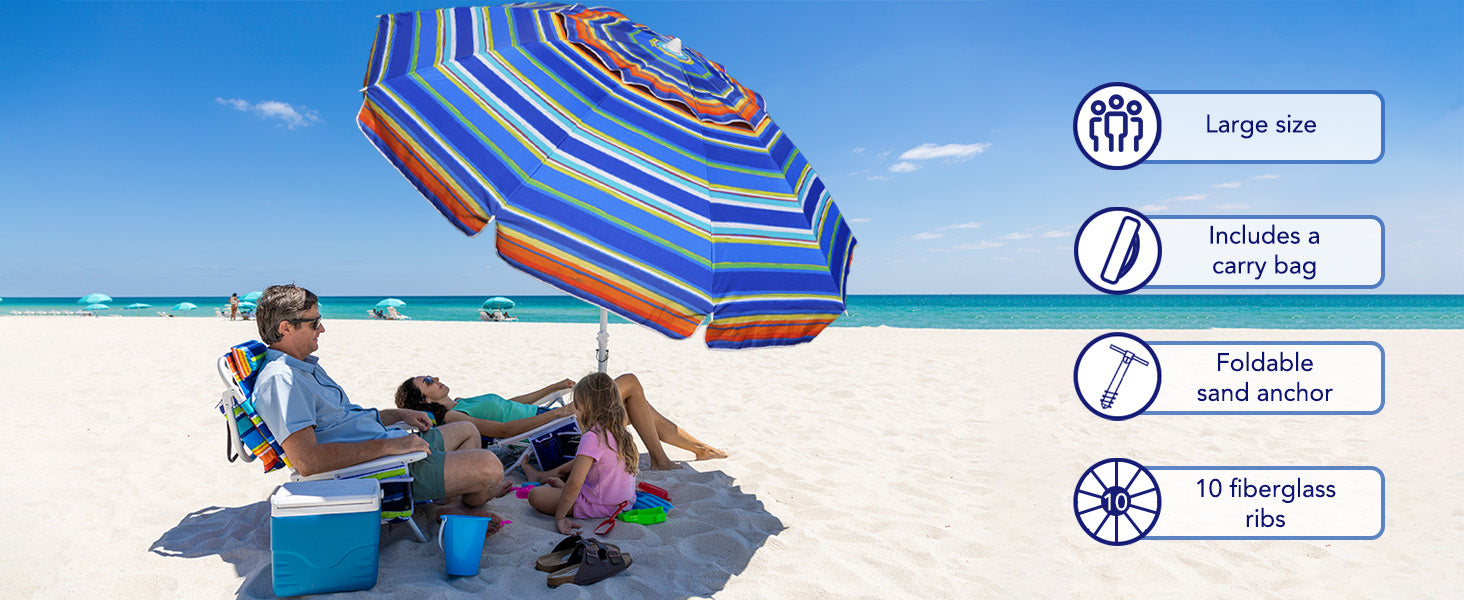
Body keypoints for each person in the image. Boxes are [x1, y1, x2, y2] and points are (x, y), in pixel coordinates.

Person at [250, 284, 511, 524]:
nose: (322, 329)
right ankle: (465, 505)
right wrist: (391, 446)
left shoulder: (302, 368)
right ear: (285, 328)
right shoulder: (281, 380)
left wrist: (395, 414)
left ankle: (449, 505)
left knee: (468, 430)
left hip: (387, 446)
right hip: (379, 469)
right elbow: (307, 461)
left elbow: (343, 420)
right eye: (314, 322)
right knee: (490, 467)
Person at [395, 371, 725, 471]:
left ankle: (696, 449)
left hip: (549, 418)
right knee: (629, 383)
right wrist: (557, 413)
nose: (434, 378)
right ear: (424, 401)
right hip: (551, 428)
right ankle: (666, 458)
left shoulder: (465, 401)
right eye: (427, 382)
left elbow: (512, 405)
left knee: (635, 406)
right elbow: (504, 431)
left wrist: (552, 387)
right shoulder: (455, 416)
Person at [526, 372, 639, 534]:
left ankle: (563, 495)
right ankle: (563, 490)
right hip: (625, 502)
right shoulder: (621, 432)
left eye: (577, 408)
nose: (576, 413)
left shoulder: (593, 437)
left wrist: (560, 517)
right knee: (566, 482)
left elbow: (574, 484)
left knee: (535, 495)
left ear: (589, 408)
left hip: (598, 505)